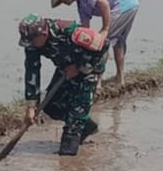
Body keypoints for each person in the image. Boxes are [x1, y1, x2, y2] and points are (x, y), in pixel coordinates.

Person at [18, 14, 108, 156]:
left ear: (43, 34)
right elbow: (32, 70)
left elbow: (103, 44)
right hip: (64, 69)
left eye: (32, 41)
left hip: (87, 70)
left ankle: (70, 149)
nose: (30, 45)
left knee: (73, 127)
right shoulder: (32, 44)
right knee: (51, 106)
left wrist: (78, 67)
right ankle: (86, 126)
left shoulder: (70, 31)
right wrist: (31, 106)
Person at [51, 0, 139, 87]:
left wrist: (105, 29)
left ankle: (98, 82)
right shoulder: (81, 5)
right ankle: (120, 79)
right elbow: (85, 27)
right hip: (131, 4)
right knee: (118, 42)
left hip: (123, 4)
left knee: (102, 43)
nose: (63, 2)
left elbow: (104, 4)